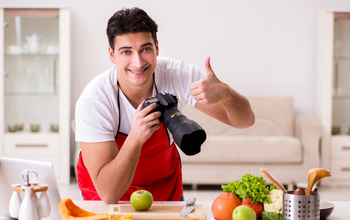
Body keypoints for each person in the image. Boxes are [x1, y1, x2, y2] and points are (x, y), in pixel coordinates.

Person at [75, 7, 255, 204]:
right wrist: (135, 138)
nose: (138, 62)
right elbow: (109, 193)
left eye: (146, 49)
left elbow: (245, 121)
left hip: (163, 187)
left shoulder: (176, 74)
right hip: (107, 193)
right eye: (126, 52)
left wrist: (226, 93)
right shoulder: (95, 100)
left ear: (157, 48)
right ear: (112, 55)